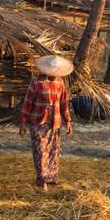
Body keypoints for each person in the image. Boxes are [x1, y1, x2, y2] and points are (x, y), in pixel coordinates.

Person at [18, 54, 73, 191]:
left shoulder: (60, 83)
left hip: (54, 123)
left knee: (53, 151)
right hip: (39, 122)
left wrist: (68, 121)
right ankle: (42, 179)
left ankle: (51, 177)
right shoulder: (36, 82)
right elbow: (28, 102)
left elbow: (63, 103)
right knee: (40, 151)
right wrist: (23, 122)